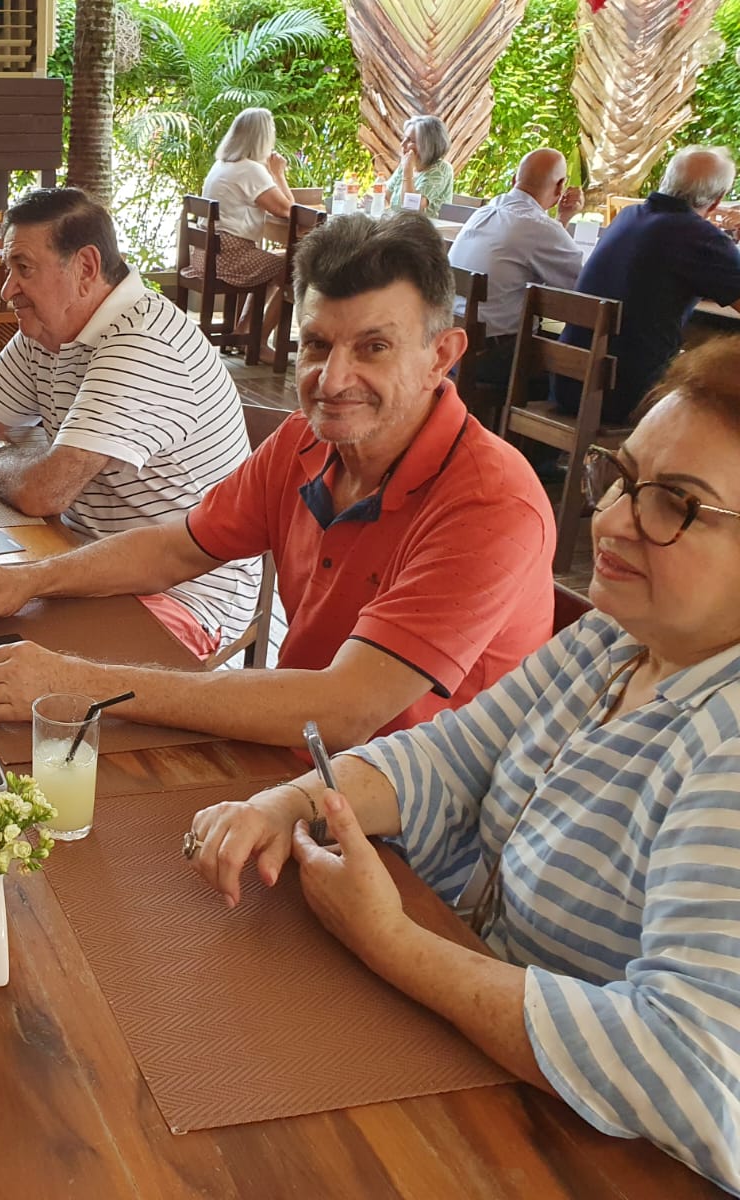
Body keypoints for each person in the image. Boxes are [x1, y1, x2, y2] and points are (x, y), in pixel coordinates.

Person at [184, 337, 740, 1195]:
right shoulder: (618, 637)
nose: (615, 520)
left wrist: (393, 942)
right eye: (624, 478)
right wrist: (289, 801)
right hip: (466, 1054)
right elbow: (454, 752)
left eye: (677, 504)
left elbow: (688, 1066)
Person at [0, 212, 556, 750]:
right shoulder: (305, 440)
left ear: (441, 356)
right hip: (295, 756)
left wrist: (83, 684)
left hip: (414, 821)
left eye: (374, 348)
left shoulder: (489, 501)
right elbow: (177, 548)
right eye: (317, 344)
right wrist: (30, 579)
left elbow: (346, 710)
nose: (333, 380)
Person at [0, 187, 260, 658]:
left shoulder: (141, 344)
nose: (7, 289)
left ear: (85, 268)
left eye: (24, 268)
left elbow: (44, 491)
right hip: (77, 562)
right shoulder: (49, 331)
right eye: (9, 269)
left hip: (185, 596)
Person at [556, 146, 740, 425]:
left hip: (567, 384)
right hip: (626, 396)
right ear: (717, 201)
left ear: (666, 180)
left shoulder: (628, 216)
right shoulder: (699, 237)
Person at [448, 148, 585, 392]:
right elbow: (583, 287)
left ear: (514, 180)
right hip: (489, 357)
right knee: (577, 370)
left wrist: (562, 218)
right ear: (560, 186)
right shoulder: (538, 226)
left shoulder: (485, 212)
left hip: (452, 346)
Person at [198, 107, 294, 349]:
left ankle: (244, 332)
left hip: (207, 254)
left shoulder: (222, 164)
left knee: (279, 260)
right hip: (229, 256)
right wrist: (279, 174)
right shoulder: (250, 169)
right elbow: (288, 210)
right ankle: (257, 341)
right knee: (295, 267)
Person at [385, 116, 455, 219]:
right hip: (399, 225)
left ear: (428, 145)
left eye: (410, 140)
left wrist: (407, 172)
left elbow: (411, 209)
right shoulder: (406, 165)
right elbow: (386, 195)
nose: (402, 144)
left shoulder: (442, 169)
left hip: (424, 228)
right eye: (404, 138)